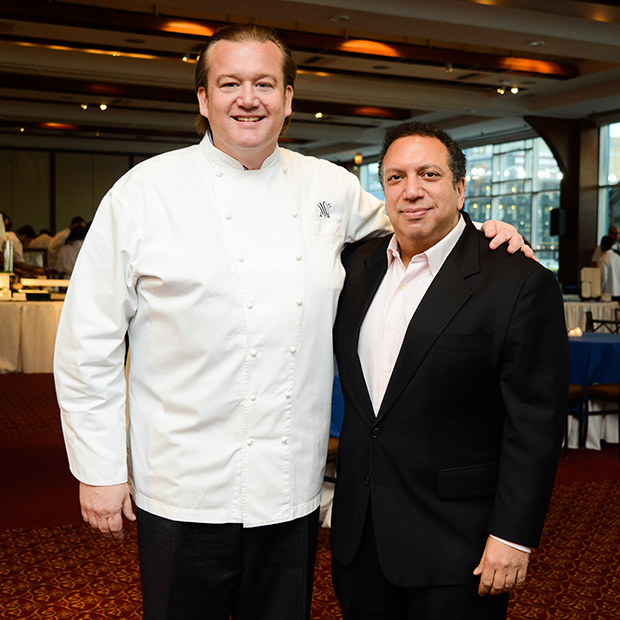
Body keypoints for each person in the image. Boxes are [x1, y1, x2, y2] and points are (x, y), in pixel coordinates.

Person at [54, 24, 528, 620]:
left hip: (289, 491)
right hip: (179, 488)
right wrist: (99, 469)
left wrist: (486, 232)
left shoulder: (328, 186)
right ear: (203, 98)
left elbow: (418, 220)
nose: (247, 99)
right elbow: (87, 343)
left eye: (264, 84)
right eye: (229, 84)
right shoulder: (142, 193)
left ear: (288, 99)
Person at [330, 121, 569, 620]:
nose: (411, 190)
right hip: (360, 539)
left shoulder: (517, 281)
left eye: (429, 174)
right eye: (395, 177)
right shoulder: (354, 268)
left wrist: (513, 536)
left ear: (460, 189)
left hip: (458, 544)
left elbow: (536, 424)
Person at [597, 235, 620, 301]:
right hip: (618, 292)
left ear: (603, 245)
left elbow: (602, 277)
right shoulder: (618, 257)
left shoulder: (603, 259)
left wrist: (598, 291)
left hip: (607, 294)